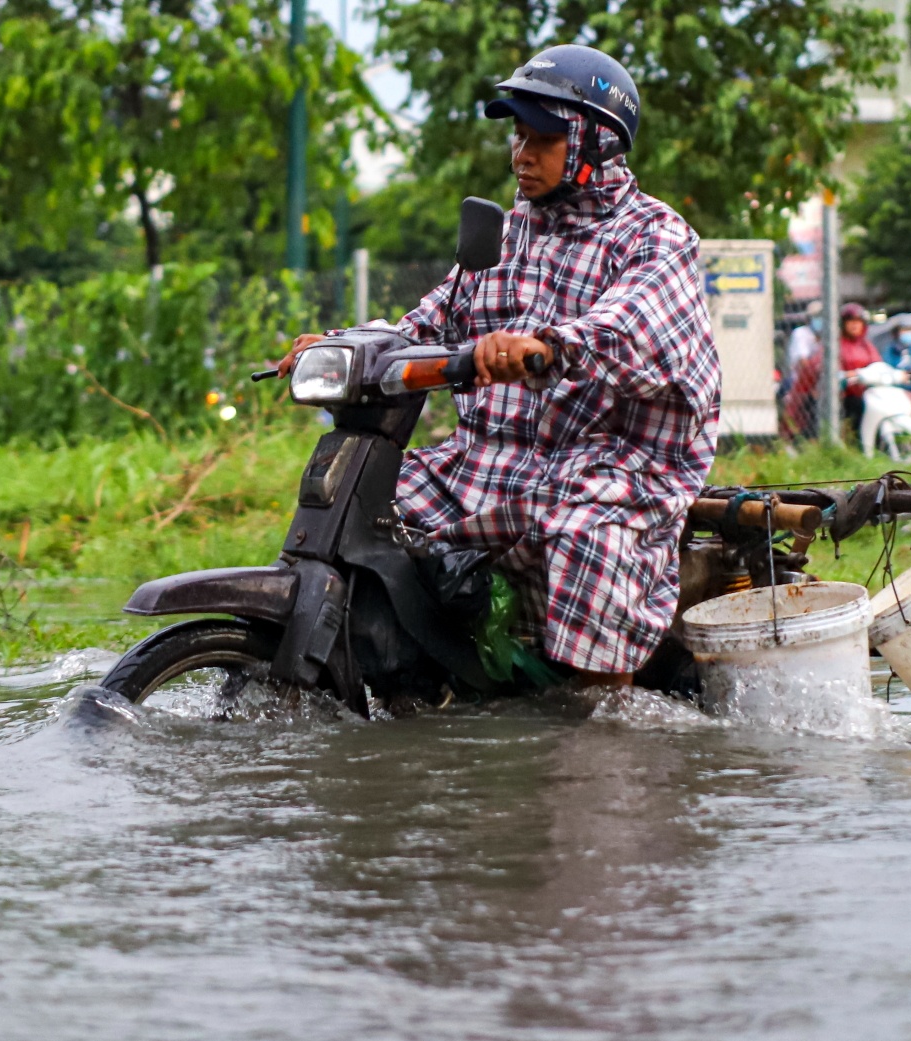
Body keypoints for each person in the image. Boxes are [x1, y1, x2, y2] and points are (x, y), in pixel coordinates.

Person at [278, 45, 722, 687]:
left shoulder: (656, 236)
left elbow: (633, 326)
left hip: (609, 465)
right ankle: (411, 682)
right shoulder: (509, 232)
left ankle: (602, 716)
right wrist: (345, 344)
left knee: (585, 534)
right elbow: (429, 319)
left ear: (595, 143)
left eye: (543, 138)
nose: (522, 153)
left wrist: (546, 345)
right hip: (490, 461)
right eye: (518, 136)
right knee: (370, 508)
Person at [781, 302, 882, 439]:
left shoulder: (867, 346)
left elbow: (879, 366)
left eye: (858, 321)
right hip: (838, 395)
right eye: (850, 321)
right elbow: (818, 367)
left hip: (863, 393)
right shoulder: (834, 344)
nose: (854, 325)